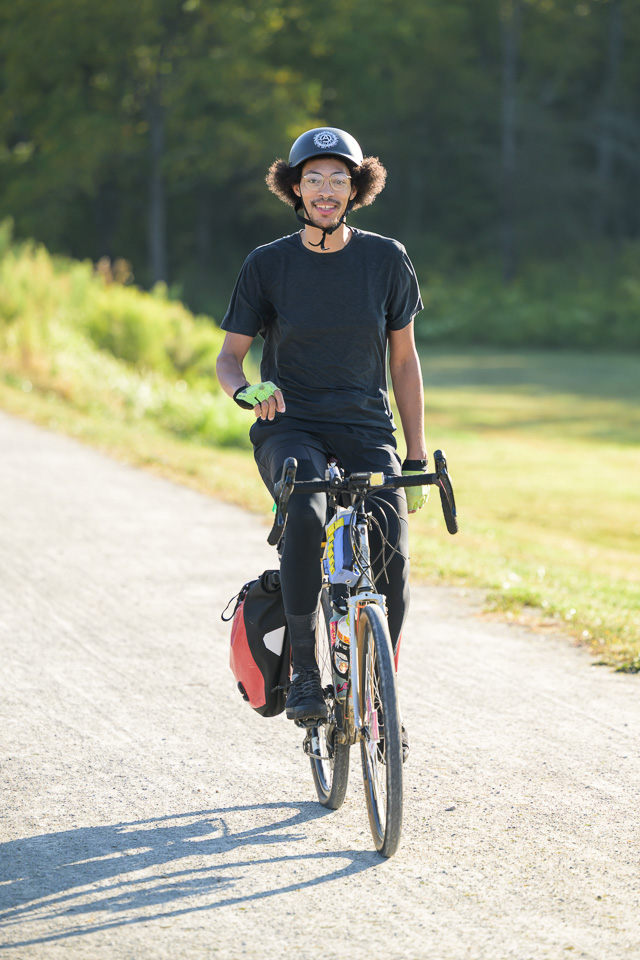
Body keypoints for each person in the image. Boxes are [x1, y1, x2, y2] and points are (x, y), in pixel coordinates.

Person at [216, 127, 428, 759]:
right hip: (290, 424)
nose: (326, 189)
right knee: (306, 514)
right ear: (296, 188)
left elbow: (404, 362)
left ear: (357, 188)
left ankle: (382, 697)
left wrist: (415, 455)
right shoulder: (267, 263)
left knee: (392, 550)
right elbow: (229, 357)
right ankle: (307, 671)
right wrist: (246, 391)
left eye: (339, 178)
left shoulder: (386, 259)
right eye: (314, 179)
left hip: (365, 426)